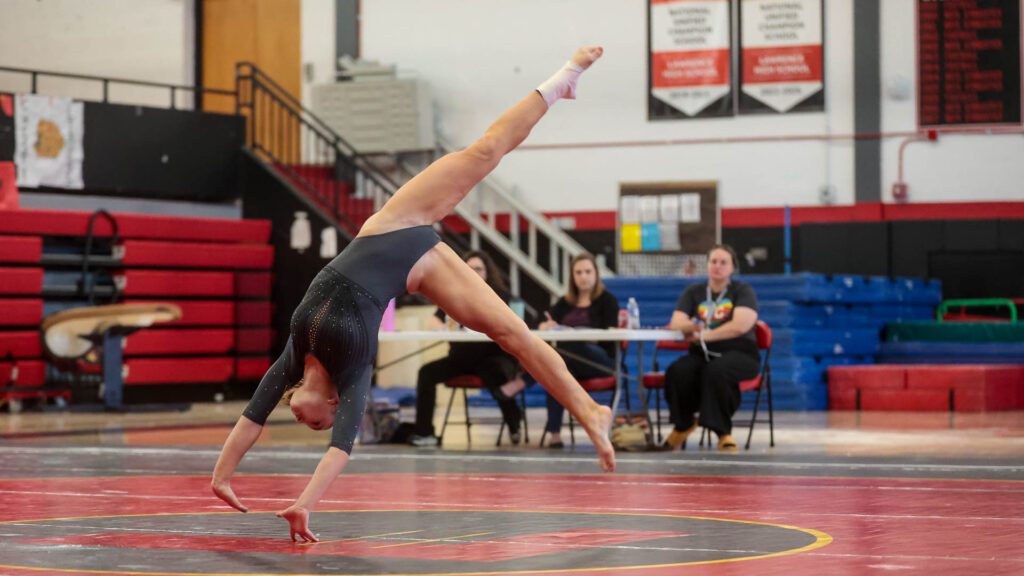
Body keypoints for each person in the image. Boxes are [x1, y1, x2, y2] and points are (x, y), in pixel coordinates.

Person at [211, 46, 615, 543]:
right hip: (420, 269)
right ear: (335, 404)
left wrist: (221, 476)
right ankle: (589, 410)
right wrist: (304, 505)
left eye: (315, 425)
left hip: (393, 225)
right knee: (513, 333)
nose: (310, 423)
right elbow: (340, 451)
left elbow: (251, 417)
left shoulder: (293, 358)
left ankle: (563, 80)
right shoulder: (353, 371)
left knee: (483, 152)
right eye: (320, 425)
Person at [410, 250, 526, 446]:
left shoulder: (501, 296)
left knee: (494, 372)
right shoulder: (451, 295)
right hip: (461, 359)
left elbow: (517, 325)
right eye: (469, 269)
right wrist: (443, 327)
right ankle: (424, 433)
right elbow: (433, 322)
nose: (474, 273)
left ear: (487, 272)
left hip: (493, 357)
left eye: (478, 269)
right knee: (426, 373)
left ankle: (514, 423)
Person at [661, 244, 760, 453]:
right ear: (707, 265)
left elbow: (740, 325)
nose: (718, 266)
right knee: (678, 371)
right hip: (703, 353)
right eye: (713, 261)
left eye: (723, 262)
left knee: (717, 371)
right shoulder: (694, 292)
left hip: (740, 352)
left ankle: (723, 433)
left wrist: (703, 335)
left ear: (732, 267)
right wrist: (690, 326)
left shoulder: (742, 291)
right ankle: (683, 424)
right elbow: (677, 322)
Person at [536, 253, 619, 448]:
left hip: (600, 361)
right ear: (572, 276)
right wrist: (545, 326)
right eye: (578, 272)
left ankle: (524, 381)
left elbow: (610, 335)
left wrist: (579, 336)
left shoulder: (607, 300)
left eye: (588, 272)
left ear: (596, 274)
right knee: (556, 372)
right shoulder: (565, 302)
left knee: (563, 354)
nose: (583, 277)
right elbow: (542, 323)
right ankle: (555, 435)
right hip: (571, 362)